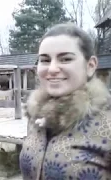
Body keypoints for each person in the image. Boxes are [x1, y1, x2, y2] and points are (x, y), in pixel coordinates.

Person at [20, 23, 111, 179]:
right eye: (45, 60)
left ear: (90, 65)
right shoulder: (36, 116)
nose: (52, 68)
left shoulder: (107, 120)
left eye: (66, 59)